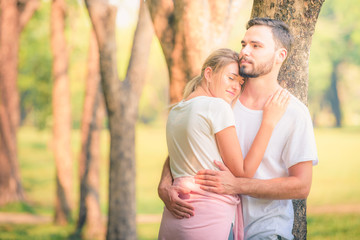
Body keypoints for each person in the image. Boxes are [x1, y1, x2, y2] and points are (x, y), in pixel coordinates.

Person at [194, 18, 319, 239]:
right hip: (216, 226)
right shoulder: (223, 100)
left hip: (266, 231)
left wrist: (238, 185)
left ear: (280, 55)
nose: (245, 51)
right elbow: (189, 136)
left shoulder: (294, 113)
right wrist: (165, 183)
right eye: (244, 44)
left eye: (256, 46)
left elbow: (301, 186)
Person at [158, 48, 290, 240]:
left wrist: (163, 183)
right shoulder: (217, 107)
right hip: (206, 217)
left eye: (240, 82)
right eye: (231, 78)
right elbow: (243, 172)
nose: (236, 87)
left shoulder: (177, 110)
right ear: (209, 73)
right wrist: (269, 121)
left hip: (174, 218)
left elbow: (178, 155)